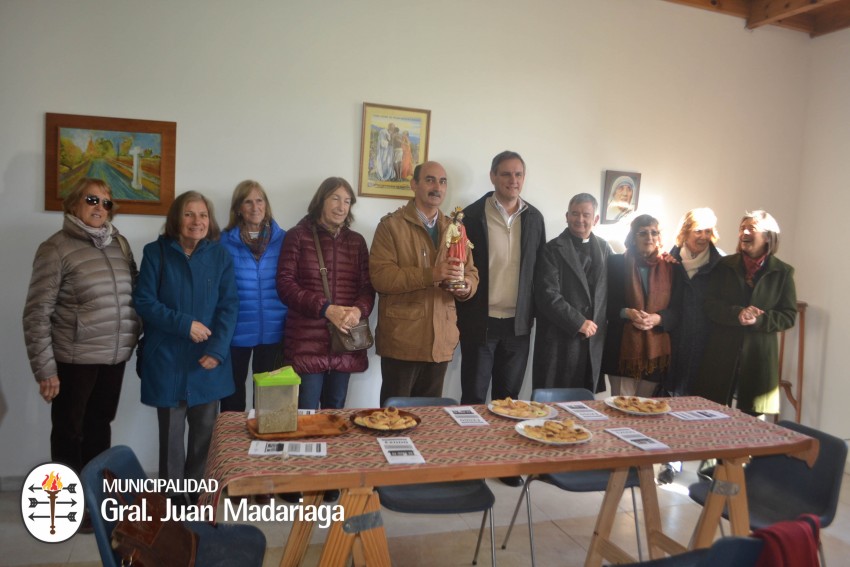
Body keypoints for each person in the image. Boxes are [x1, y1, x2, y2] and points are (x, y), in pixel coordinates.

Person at [23, 178, 140, 500]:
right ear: (73, 203)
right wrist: (45, 369)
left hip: (114, 355)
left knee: (100, 425)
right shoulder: (55, 248)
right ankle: (67, 501)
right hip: (74, 358)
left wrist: (136, 333)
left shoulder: (120, 245)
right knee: (68, 433)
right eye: (92, 200)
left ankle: (96, 495)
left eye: (106, 202)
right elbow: (36, 313)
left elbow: (136, 293)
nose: (100, 207)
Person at [133, 191, 238, 504]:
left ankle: (197, 501)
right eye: (190, 214)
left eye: (203, 215)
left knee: (204, 439)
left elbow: (229, 306)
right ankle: (172, 504)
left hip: (208, 361)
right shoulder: (156, 253)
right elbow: (144, 301)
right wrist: (184, 324)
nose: (197, 221)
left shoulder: (220, 256)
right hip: (168, 361)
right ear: (176, 219)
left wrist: (217, 350)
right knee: (171, 439)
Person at [370, 161, 478, 405]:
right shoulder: (390, 226)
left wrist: (467, 286)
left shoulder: (455, 227)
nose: (437, 187)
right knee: (394, 421)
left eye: (442, 181)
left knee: (431, 423)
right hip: (402, 341)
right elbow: (382, 278)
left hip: (440, 341)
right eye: (430, 180)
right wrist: (433, 274)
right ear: (414, 185)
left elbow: (471, 271)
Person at [276, 177, 375, 411]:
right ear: (321, 200)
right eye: (335, 198)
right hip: (306, 345)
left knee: (336, 415)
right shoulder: (297, 236)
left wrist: (357, 310)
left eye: (347, 201)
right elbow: (285, 285)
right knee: (306, 415)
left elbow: (367, 288)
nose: (341, 207)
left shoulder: (357, 242)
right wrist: (325, 309)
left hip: (345, 344)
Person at [457, 151, 546, 408]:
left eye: (518, 174)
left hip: (517, 327)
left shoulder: (534, 219)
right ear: (493, 176)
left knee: (508, 403)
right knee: (473, 399)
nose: (513, 180)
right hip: (479, 323)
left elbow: (539, 272)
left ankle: (503, 449)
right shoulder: (470, 217)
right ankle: (470, 448)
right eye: (506, 174)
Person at [693, 211, 796, 416]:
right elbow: (709, 305)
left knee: (752, 428)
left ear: (768, 237)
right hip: (721, 354)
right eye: (742, 228)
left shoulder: (783, 272)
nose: (744, 233)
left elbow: (788, 315)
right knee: (710, 417)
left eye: (751, 229)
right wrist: (737, 314)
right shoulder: (723, 266)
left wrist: (760, 319)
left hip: (759, 358)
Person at [220, 180, 288, 412]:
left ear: (266, 206)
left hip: (274, 331)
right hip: (235, 331)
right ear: (238, 208)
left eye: (259, 200)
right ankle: (230, 448)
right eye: (247, 201)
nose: (255, 206)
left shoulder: (284, 240)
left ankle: (265, 447)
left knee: (270, 401)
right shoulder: (222, 242)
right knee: (231, 398)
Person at [533, 193, 609, 393]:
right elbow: (547, 295)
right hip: (559, 340)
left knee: (585, 404)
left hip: (592, 343)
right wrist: (579, 322)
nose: (580, 219)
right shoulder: (551, 249)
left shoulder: (604, 248)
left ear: (596, 219)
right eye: (575, 213)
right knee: (554, 403)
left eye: (586, 214)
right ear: (567, 216)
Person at [601, 214, 681, 397]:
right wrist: (627, 313)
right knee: (619, 411)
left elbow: (677, 310)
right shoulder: (616, 263)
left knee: (645, 413)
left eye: (654, 232)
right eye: (643, 233)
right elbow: (605, 305)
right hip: (622, 351)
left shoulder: (671, 267)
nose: (649, 238)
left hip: (655, 354)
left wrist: (658, 318)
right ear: (632, 237)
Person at [667, 208, 724, 397]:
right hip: (673, 340)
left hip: (706, 343)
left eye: (708, 231)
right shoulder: (669, 260)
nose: (703, 236)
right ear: (685, 231)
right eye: (698, 231)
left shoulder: (721, 263)